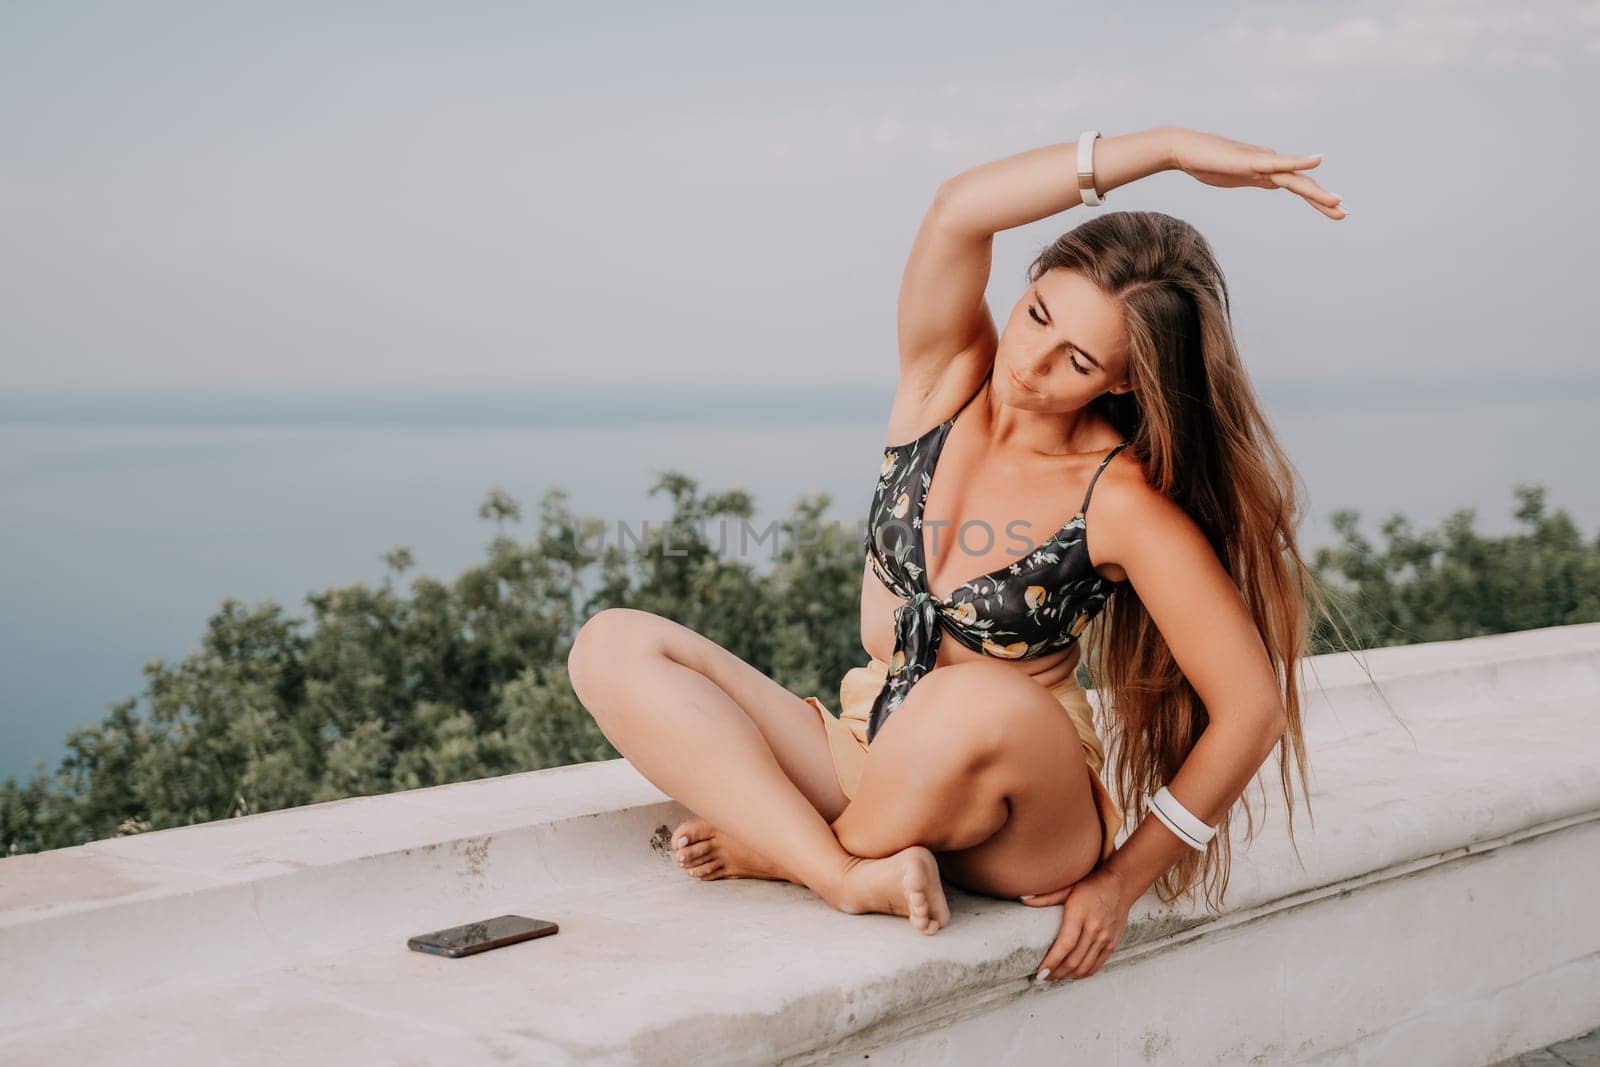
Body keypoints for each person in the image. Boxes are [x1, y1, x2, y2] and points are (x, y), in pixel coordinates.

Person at [566, 125, 1346, 982]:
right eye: (1038, 312)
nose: (1029, 362)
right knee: (613, 642)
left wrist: (1124, 880)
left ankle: (791, 851)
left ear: (1122, 382)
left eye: (1076, 359)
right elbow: (957, 212)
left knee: (973, 696)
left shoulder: (1119, 500)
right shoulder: (942, 382)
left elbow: (1251, 708)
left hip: (1017, 815)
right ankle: (842, 872)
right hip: (871, 754)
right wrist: (1160, 149)